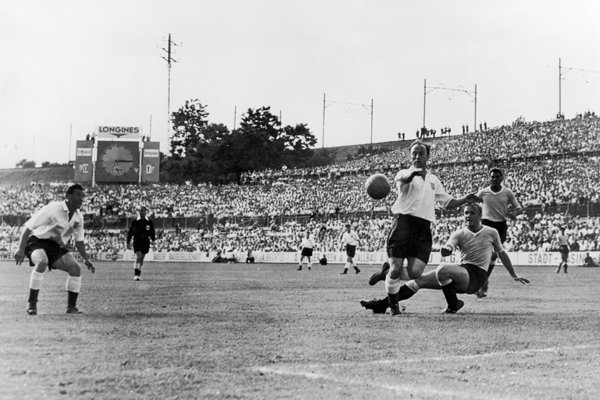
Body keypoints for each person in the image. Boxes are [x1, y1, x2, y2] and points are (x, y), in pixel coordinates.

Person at [368, 140, 480, 315]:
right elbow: (404, 179)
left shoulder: (434, 180)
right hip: (403, 224)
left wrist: (465, 199)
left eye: (421, 153)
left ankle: (385, 273)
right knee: (397, 268)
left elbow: (447, 202)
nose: (417, 156)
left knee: (414, 272)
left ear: (427, 156)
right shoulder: (403, 174)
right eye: (414, 153)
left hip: (423, 229)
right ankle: (394, 307)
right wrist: (413, 174)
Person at [361, 203, 529, 315]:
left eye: (472, 213)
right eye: (465, 213)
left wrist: (514, 275)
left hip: (476, 276)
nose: (468, 215)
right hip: (461, 271)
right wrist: (447, 249)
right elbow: (449, 245)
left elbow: (501, 253)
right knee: (417, 281)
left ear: (480, 215)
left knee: (443, 269)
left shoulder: (491, 232)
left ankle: (452, 305)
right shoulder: (459, 233)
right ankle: (383, 305)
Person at [14, 183, 95, 315]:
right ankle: (32, 304)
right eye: (78, 195)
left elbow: (79, 241)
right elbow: (28, 227)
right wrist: (20, 249)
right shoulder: (53, 208)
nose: (81, 199)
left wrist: (86, 260)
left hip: (55, 246)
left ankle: (71, 307)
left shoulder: (78, 217)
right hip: (37, 241)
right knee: (42, 262)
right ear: (68, 196)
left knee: (75, 268)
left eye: (83, 196)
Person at [475, 167, 522, 298]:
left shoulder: (507, 192)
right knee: (487, 254)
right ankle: (481, 282)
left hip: (500, 225)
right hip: (486, 224)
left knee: (495, 255)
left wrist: (514, 214)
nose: (494, 179)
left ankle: (483, 280)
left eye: (497, 177)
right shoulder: (483, 192)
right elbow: (473, 202)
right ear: (489, 178)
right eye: (492, 177)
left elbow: (518, 208)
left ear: (502, 178)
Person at [126, 206, 155, 281]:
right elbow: (130, 231)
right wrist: (128, 241)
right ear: (139, 212)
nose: (142, 212)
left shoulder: (149, 221)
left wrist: (153, 240)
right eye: (141, 211)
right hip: (137, 240)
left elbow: (152, 231)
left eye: (143, 211)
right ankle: (135, 275)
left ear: (146, 212)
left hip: (145, 241)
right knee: (138, 256)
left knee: (142, 258)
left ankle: (138, 274)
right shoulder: (135, 221)